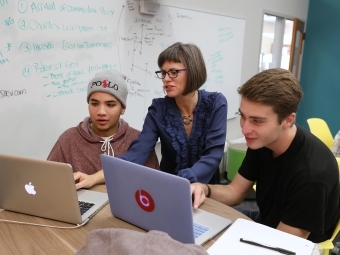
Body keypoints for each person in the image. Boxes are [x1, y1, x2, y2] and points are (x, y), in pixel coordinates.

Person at [191, 68, 340, 243]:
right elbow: (234, 191)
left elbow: (283, 245)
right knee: (193, 220)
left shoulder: (312, 174)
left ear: (288, 120)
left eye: (257, 120)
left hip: (296, 244)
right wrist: (203, 189)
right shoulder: (263, 141)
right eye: (243, 116)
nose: (245, 129)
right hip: (267, 223)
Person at [118, 42, 228, 184]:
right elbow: (139, 151)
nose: (166, 79)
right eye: (163, 73)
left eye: (174, 72)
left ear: (193, 71)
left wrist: (182, 180)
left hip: (206, 189)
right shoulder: (158, 108)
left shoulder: (216, 103)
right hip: (169, 188)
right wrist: (102, 174)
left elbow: (213, 155)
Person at [47, 70, 159, 189]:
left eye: (110, 105)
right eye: (94, 104)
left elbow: (156, 187)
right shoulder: (69, 139)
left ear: (123, 108)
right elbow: (47, 182)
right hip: (81, 207)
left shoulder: (139, 142)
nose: (101, 112)